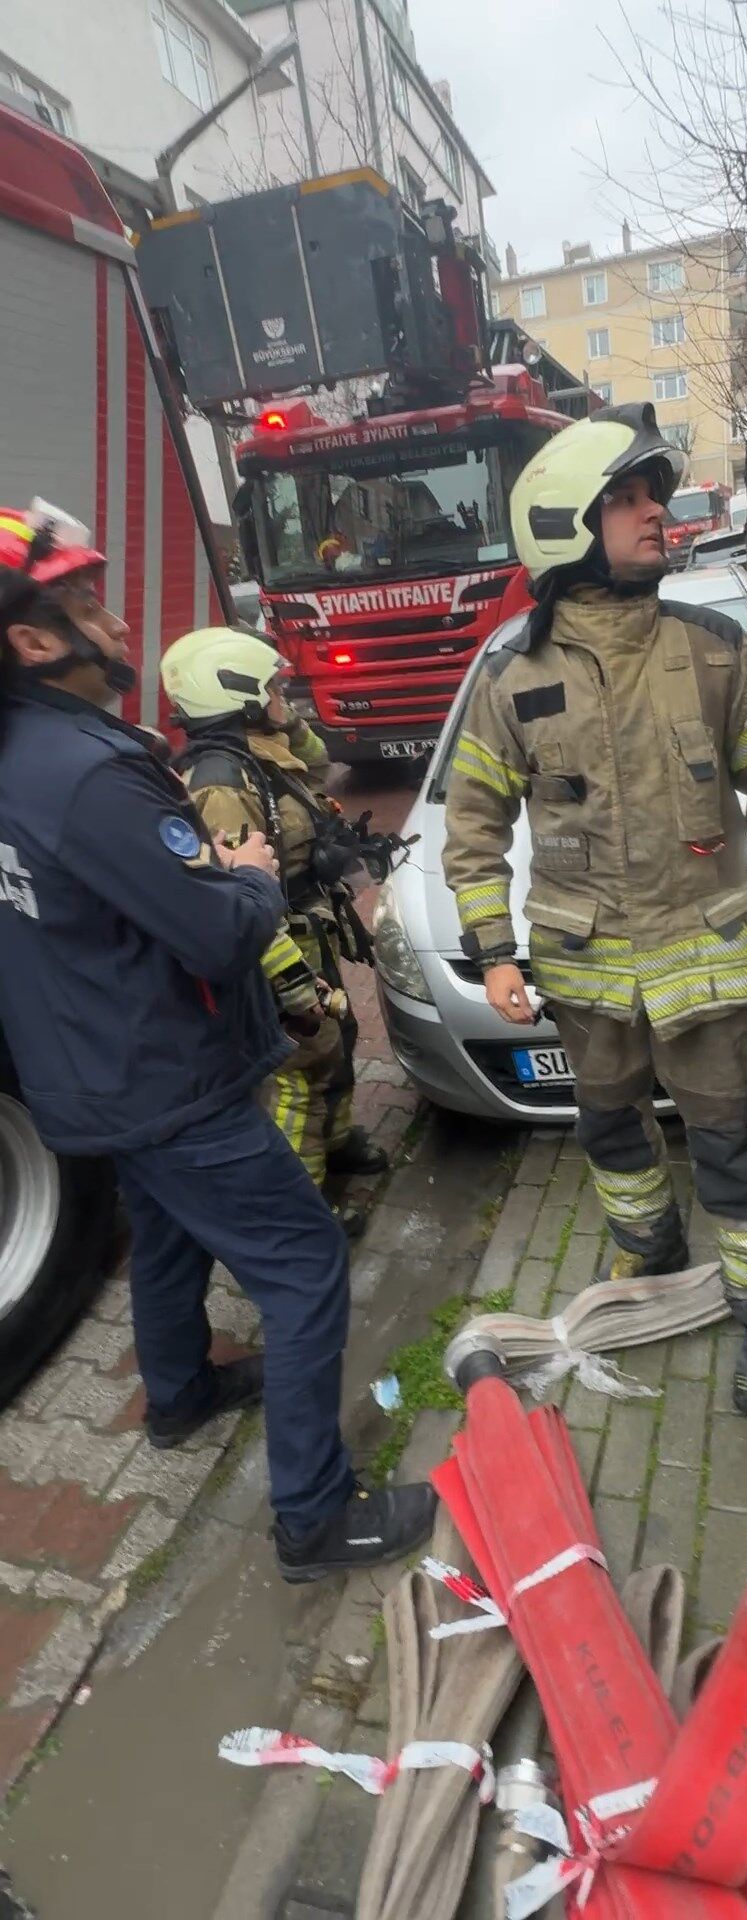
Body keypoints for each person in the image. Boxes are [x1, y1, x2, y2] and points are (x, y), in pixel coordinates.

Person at [0, 503, 434, 1579]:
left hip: (96, 1072)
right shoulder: (90, 773)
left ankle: (181, 1394)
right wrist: (245, 875)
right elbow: (215, 934)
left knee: (167, 1233)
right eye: (85, 601)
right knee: (305, 1263)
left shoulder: (22, 756)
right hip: (167, 1078)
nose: (113, 620)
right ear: (32, 640)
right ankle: (314, 1517)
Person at [442, 406, 747, 1417]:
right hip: (586, 974)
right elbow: (472, 826)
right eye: (627, 497)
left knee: (734, 1146)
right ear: (567, 525)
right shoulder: (512, 677)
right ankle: (648, 1248)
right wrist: (494, 952)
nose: (656, 510)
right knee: (610, 1132)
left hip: (707, 963)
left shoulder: (715, 650)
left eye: (652, 494)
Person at [160, 627, 387, 1230]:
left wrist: (282, 720)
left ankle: (336, 1143)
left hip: (309, 927)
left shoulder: (263, 754)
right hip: (277, 943)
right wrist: (289, 982)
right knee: (297, 1071)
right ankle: (302, 1207)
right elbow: (233, 895)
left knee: (337, 1039)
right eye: (274, 689)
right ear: (238, 698)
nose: (286, 698)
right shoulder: (221, 784)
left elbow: (318, 762)